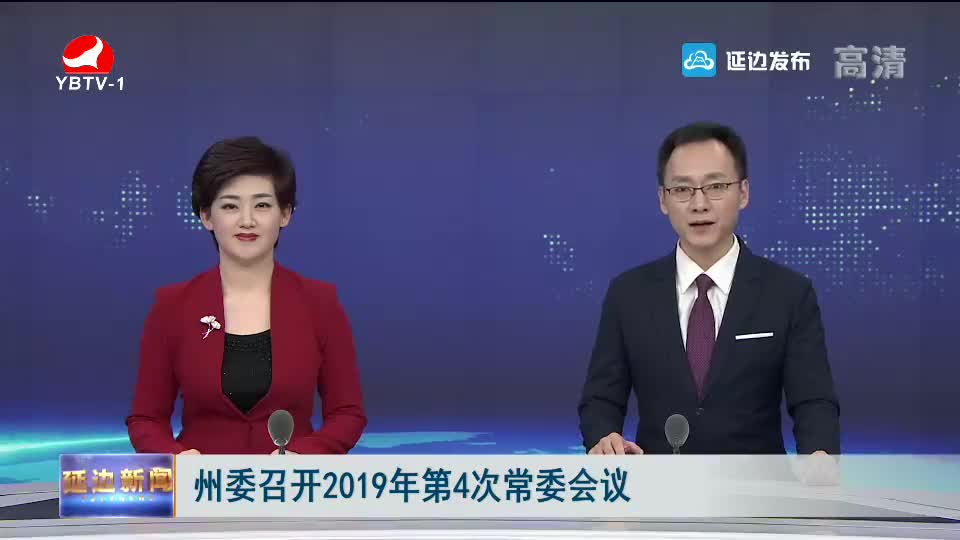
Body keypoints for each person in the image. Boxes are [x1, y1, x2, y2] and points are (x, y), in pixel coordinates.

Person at [578, 122, 840, 456]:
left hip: (758, 485)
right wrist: (604, 438)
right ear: (663, 199)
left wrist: (819, 456)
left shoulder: (788, 293)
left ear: (743, 193)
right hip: (659, 483)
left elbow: (813, 401)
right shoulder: (628, 294)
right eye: (682, 189)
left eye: (716, 186)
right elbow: (600, 399)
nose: (699, 204)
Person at [126, 136, 367, 455]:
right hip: (201, 483)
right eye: (230, 206)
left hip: (287, 483)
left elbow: (347, 413)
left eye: (262, 205)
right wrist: (177, 459)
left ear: (285, 214)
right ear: (206, 216)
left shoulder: (320, 303)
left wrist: (304, 456)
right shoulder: (171, 306)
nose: (247, 220)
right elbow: (145, 419)